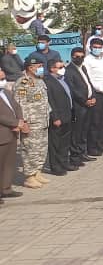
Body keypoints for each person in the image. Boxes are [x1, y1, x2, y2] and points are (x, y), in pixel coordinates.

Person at [16, 57, 50, 189]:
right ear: (30, 68)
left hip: (42, 120)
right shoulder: (23, 82)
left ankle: (37, 172)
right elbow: (20, 103)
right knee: (30, 149)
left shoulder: (39, 80)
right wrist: (23, 122)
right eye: (39, 66)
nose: (41, 68)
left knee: (41, 148)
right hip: (31, 122)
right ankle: (29, 177)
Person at [64, 47, 95, 168]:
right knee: (77, 132)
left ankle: (83, 152)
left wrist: (93, 96)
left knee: (84, 130)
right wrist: (84, 100)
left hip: (89, 103)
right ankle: (75, 156)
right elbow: (73, 89)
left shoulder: (83, 68)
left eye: (82, 57)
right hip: (79, 106)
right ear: (72, 57)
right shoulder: (69, 70)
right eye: (77, 57)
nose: (80, 59)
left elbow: (88, 83)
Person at [43, 59, 74, 175]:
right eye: (60, 67)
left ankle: (64, 162)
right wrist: (55, 117)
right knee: (55, 143)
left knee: (65, 142)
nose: (63, 69)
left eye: (63, 66)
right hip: (57, 117)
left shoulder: (63, 79)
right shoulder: (48, 82)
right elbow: (50, 101)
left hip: (67, 115)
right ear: (52, 69)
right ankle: (56, 166)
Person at [0, 69, 25, 203]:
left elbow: (17, 107)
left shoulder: (5, 92)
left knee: (9, 163)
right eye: (0, 79)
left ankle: (6, 189)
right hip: (3, 132)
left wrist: (20, 121)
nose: (3, 81)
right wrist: (15, 123)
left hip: (12, 132)